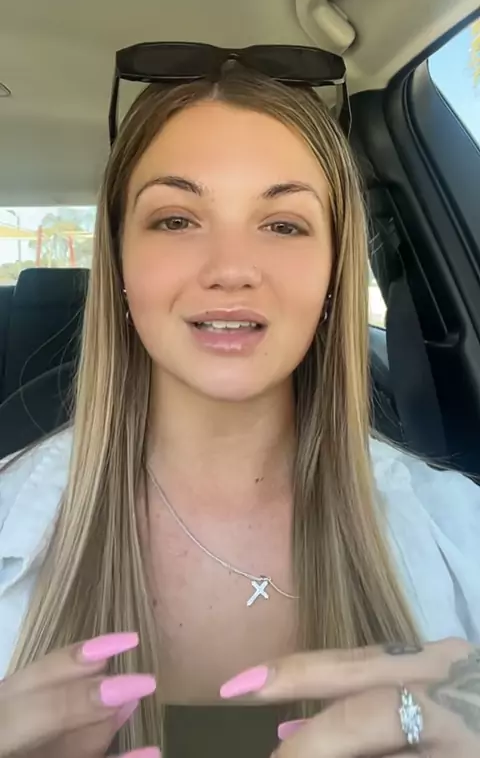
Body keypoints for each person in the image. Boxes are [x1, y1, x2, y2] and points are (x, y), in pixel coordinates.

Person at [0, 48, 479, 758]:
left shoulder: (460, 533)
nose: (231, 269)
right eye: (176, 220)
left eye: (284, 224)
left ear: (335, 270)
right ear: (121, 260)